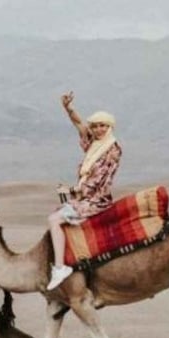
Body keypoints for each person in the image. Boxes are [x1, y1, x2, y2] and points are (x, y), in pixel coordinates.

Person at [46, 92, 121, 290]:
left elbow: (97, 181)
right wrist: (68, 108)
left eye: (102, 125)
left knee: (54, 220)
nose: (98, 129)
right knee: (58, 213)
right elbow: (79, 124)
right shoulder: (95, 144)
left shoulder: (112, 151)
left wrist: (71, 190)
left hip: (95, 199)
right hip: (85, 196)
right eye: (95, 126)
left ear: (110, 127)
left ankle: (60, 268)